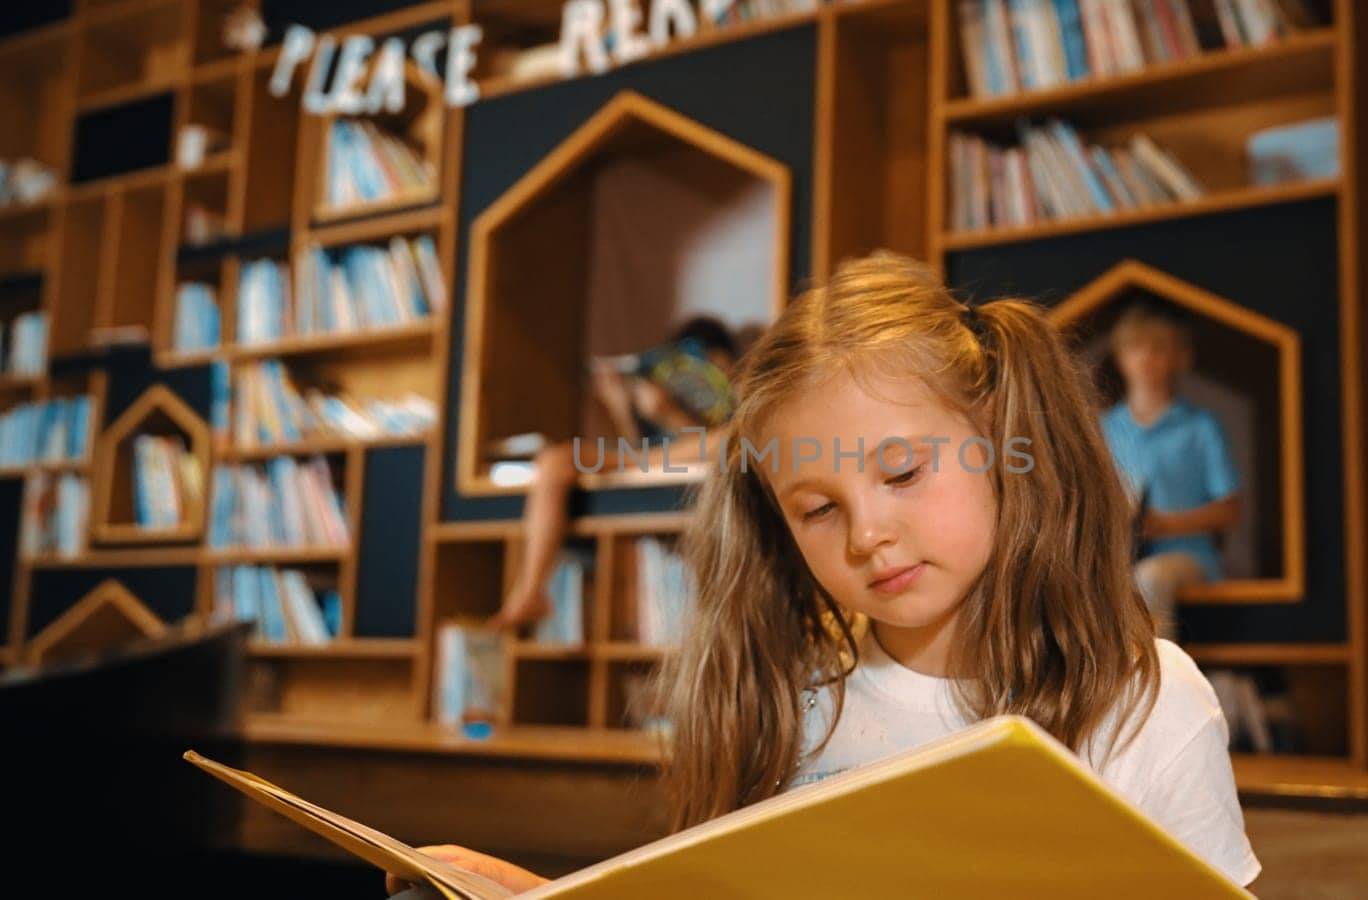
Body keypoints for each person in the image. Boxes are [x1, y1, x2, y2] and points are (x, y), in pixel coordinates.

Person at [389, 253, 1259, 895]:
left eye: (905, 472)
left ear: (1002, 445)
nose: (869, 533)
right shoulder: (791, 703)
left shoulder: (1148, 701)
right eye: (817, 509)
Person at [490, 316, 741, 631]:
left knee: (725, 439)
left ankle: (531, 591)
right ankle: (530, 589)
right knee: (555, 460)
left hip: (684, 456)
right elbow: (644, 458)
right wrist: (620, 406)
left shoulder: (734, 397)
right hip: (647, 460)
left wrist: (669, 415)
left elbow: (714, 443)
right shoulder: (669, 385)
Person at [1098, 301, 1243, 641]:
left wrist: (1168, 524)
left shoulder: (1200, 427)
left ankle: (1158, 686)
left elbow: (1231, 509)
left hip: (1187, 556)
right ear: (1120, 356)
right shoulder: (1102, 429)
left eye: (1158, 348)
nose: (1146, 358)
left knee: (1149, 579)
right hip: (1119, 555)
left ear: (1180, 358)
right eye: (1136, 347)